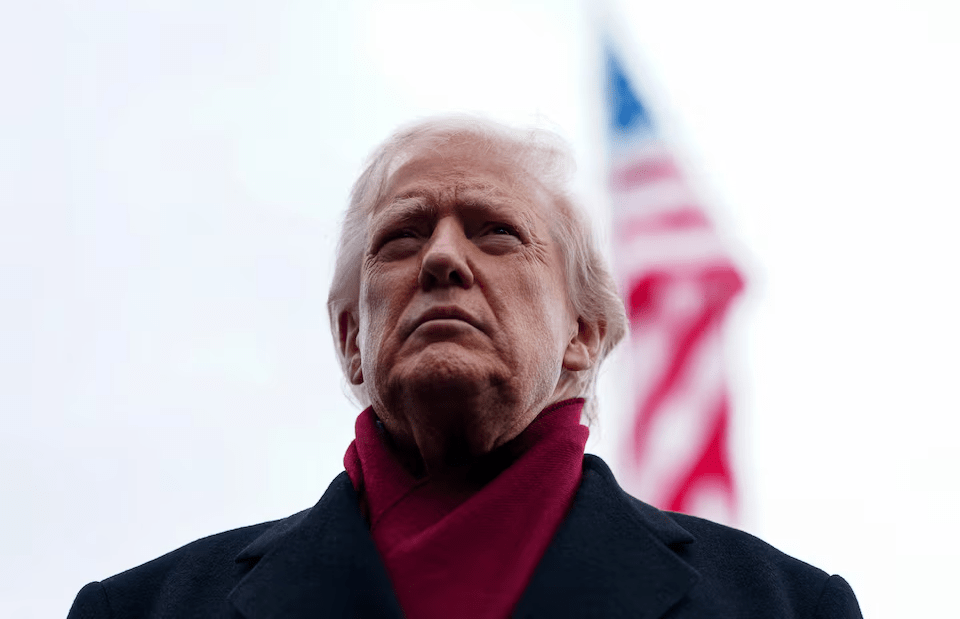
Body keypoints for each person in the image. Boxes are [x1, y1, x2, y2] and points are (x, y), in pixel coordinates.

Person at [67, 115, 863, 618]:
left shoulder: (787, 606)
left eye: (496, 232)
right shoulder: (141, 608)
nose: (444, 258)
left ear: (583, 333)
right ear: (352, 337)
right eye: (403, 236)